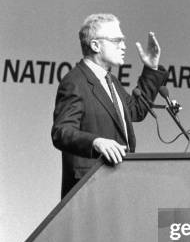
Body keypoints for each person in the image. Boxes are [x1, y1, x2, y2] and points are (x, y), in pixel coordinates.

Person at [52, 13, 167, 198]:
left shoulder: (110, 80)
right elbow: (61, 132)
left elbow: (136, 110)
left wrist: (151, 68)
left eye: (123, 40)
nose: (123, 46)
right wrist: (96, 142)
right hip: (89, 190)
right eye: (116, 40)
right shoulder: (75, 82)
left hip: (117, 186)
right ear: (95, 45)